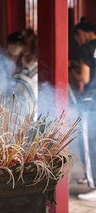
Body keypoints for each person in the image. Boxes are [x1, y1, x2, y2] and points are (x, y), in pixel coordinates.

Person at [71, 21, 96, 201]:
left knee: (88, 145)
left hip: (90, 101)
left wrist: (72, 70)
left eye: (76, 38)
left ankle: (94, 185)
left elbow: (85, 78)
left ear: (81, 33)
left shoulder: (86, 49)